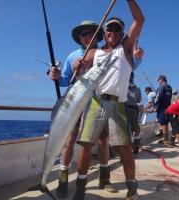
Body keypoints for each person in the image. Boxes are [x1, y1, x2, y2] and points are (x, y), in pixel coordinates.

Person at [72, 0, 144, 199]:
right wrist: (79, 65)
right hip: (95, 102)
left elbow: (139, 19)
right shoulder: (94, 52)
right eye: (109, 28)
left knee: (124, 147)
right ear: (104, 32)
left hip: (117, 103)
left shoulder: (126, 49)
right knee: (86, 144)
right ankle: (80, 188)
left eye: (117, 29)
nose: (112, 32)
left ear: (122, 33)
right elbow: (81, 68)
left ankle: (132, 189)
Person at [49, 20, 117, 197]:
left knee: (103, 140)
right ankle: (62, 179)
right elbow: (65, 80)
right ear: (79, 38)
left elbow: (122, 69)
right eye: (84, 34)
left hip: (98, 101)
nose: (88, 37)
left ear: (97, 35)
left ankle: (104, 179)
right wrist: (56, 76)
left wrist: (137, 58)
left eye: (91, 33)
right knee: (70, 138)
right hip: (75, 102)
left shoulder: (104, 53)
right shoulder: (73, 56)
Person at [125, 72, 142, 154]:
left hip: (124, 108)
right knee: (136, 128)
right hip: (134, 109)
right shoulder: (138, 89)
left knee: (125, 128)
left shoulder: (123, 87)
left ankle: (126, 148)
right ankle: (136, 146)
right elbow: (139, 100)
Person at [154, 75, 172, 145]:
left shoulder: (161, 87)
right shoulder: (169, 87)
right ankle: (165, 139)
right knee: (165, 123)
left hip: (161, 107)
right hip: (168, 107)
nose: (158, 81)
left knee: (163, 123)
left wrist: (155, 105)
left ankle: (165, 140)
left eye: (158, 80)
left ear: (162, 79)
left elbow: (159, 97)